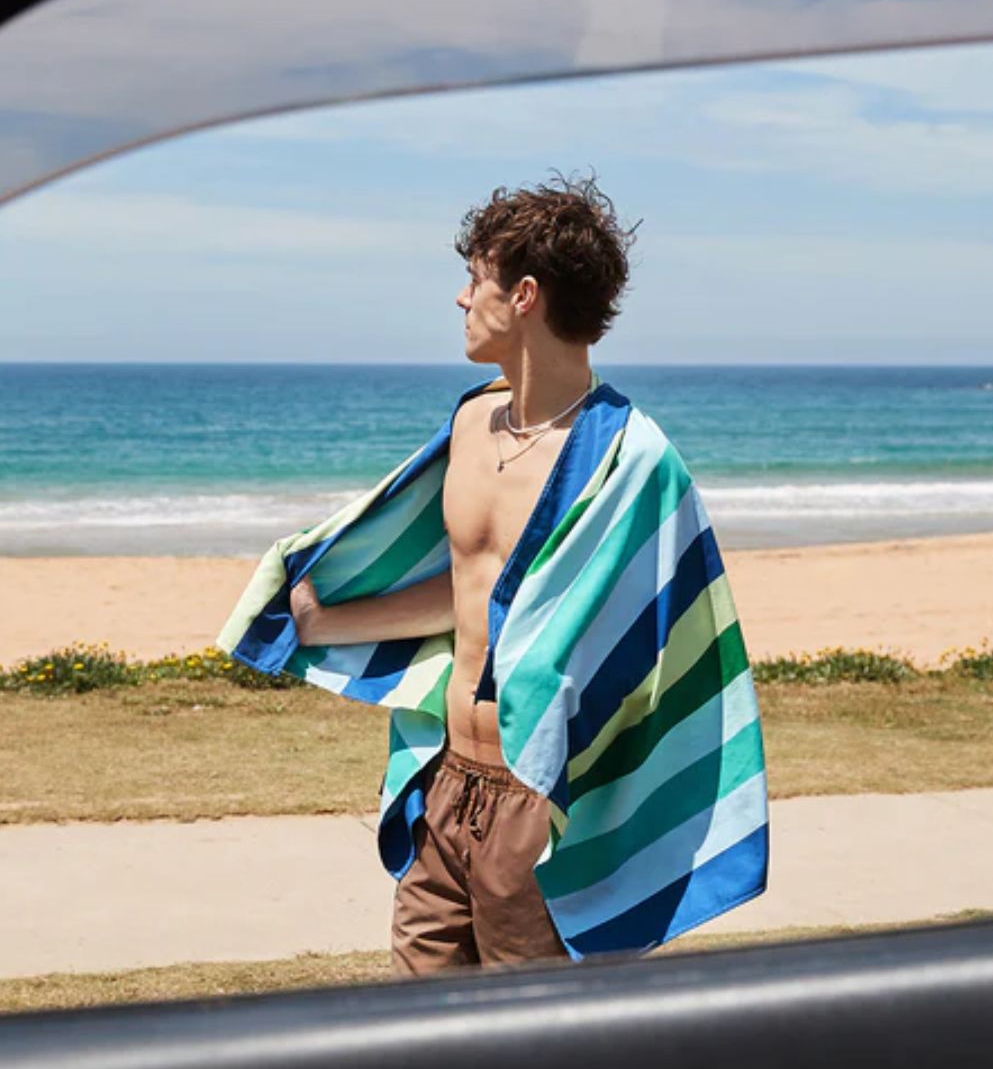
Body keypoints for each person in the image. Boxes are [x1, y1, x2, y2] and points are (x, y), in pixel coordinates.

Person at [218, 173, 768, 978]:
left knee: (534, 1031)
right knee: (422, 1020)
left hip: (537, 802)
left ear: (524, 297)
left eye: (475, 278)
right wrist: (325, 623)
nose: (460, 298)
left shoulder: (633, 462)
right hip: (446, 781)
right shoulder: (472, 423)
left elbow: (661, 637)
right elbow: (478, 593)